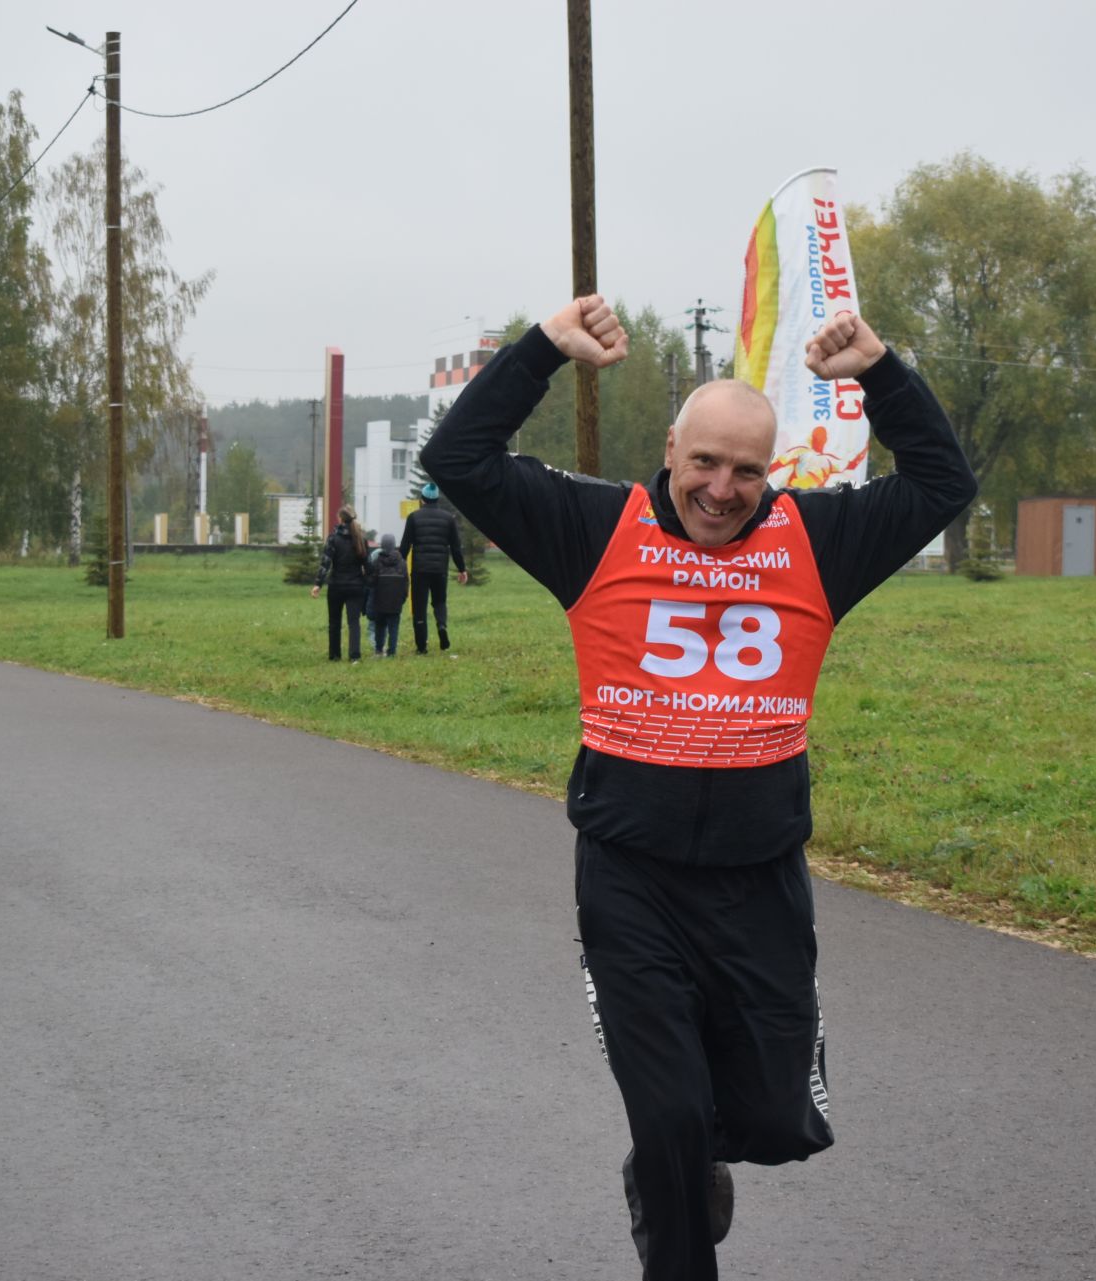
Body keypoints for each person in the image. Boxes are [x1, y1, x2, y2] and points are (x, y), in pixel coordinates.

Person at [421, 295, 976, 1280]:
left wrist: (882, 372)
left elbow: (941, 483)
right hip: (630, 876)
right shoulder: (595, 526)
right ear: (670, 449)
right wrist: (545, 351)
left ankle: (698, 1157)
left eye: (747, 470)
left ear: (776, 473)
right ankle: (676, 1200)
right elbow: (457, 461)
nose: (722, 491)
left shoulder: (817, 540)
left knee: (767, 1114)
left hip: (759, 877)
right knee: (668, 1115)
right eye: (704, 463)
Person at [400, 481, 468, 654]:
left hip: (420, 570)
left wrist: (399, 566)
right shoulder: (448, 519)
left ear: (422, 500)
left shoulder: (413, 517)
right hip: (440, 569)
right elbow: (455, 547)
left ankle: (422, 646)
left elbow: (405, 545)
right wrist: (462, 569)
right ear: (437, 499)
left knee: (419, 607)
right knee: (439, 601)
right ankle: (442, 626)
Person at [308, 505, 368, 663]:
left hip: (336, 586)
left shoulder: (333, 538)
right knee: (354, 622)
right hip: (356, 586)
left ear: (340, 519)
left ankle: (335, 655)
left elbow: (325, 563)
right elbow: (367, 564)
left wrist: (318, 584)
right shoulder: (361, 538)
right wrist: (369, 583)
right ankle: (355, 656)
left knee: (334, 621)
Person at [364, 531, 409, 657]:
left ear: (382, 545)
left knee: (380, 627)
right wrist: (403, 599)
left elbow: (371, 582)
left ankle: (379, 650)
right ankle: (392, 652)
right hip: (396, 602)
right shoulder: (402, 562)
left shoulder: (377, 561)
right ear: (394, 545)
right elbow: (406, 582)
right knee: (394, 628)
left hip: (380, 601)